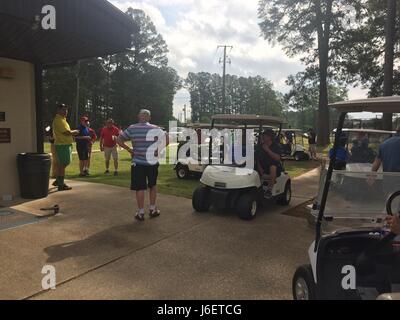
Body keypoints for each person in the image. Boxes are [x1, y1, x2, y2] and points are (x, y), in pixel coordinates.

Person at [116, 109, 166, 221]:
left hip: (138, 162)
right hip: (152, 162)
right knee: (152, 185)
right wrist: (159, 149)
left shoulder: (132, 128)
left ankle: (141, 212)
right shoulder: (155, 128)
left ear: (138, 117)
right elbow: (167, 138)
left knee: (140, 187)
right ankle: (152, 209)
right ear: (149, 118)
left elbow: (118, 140)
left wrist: (129, 149)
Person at [371, 126, 400, 232]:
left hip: (388, 182)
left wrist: (371, 176)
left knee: (390, 205)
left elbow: (376, 163)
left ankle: (381, 226)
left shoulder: (384, 144)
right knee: (393, 208)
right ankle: (381, 227)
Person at [52, 104, 79, 191]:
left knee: (64, 163)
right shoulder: (58, 120)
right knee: (63, 164)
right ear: (58, 110)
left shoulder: (63, 120)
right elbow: (66, 132)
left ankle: (58, 180)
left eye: (66, 110)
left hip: (65, 144)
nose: (65, 111)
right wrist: (74, 132)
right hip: (62, 145)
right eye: (63, 109)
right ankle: (61, 184)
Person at [256, 128, 282, 198]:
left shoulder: (276, 146)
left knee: (272, 167)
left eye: (265, 136)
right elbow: (257, 159)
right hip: (262, 167)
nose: (263, 137)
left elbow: (277, 158)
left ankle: (269, 190)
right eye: (263, 136)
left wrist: (267, 150)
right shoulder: (260, 146)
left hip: (274, 167)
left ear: (270, 137)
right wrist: (260, 170)